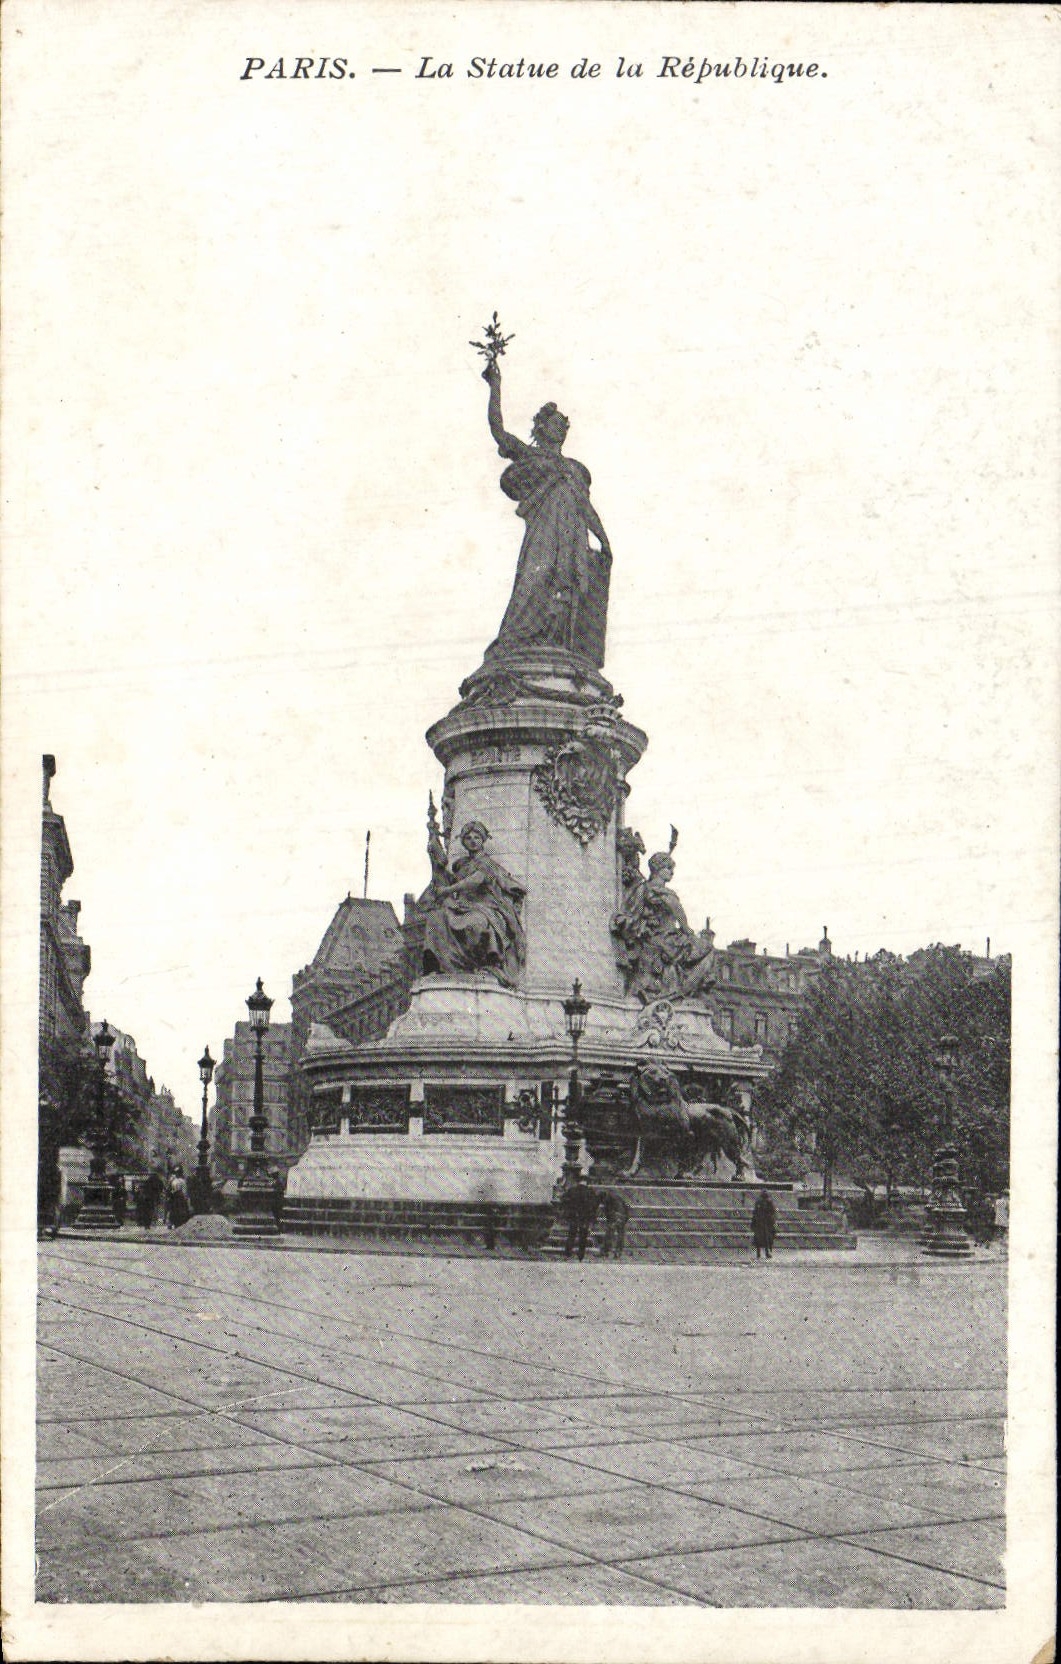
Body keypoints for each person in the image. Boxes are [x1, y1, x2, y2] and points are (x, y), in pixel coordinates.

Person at [482, 357, 612, 667]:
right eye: (556, 424)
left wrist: (604, 539)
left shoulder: (574, 470)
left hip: (571, 535)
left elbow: (586, 507)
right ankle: (518, 641)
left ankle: (557, 647)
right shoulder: (532, 455)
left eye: (565, 425)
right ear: (542, 427)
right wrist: (495, 386)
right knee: (533, 582)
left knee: (568, 589)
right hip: (544, 533)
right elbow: (499, 432)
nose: (562, 429)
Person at [421, 819, 526, 987]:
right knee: (436, 918)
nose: (472, 841)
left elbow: (474, 881)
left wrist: (448, 891)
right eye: (468, 838)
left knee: (476, 922)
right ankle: (436, 965)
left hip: (486, 906)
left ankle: (488, 962)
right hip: (463, 905)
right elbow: (449, 880)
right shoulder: (461, 864)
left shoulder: (486, 863)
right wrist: (435, 857)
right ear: (463, 841)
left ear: (483, 840)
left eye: (477, 837)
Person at [561, 1175, 600, 1262]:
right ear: (586, 1182)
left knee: (571, 1234)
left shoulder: (572, 1190)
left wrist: (569, 1211)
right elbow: (595, 1204)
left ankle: (567, 1253)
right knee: (583, 1236)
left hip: (574, 1216)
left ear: (578, 1182)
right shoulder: (590, 1191)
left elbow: (563, 1200)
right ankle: (580, 1256)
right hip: (585, 1218)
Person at [600, 1190, 630, 1260]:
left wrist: (616, 1220)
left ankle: (608, 1251)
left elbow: (616, 1211)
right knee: (618, 1234)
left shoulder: (613, 1200)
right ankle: (615, 1251)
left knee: (611, 1234)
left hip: (618, 1218)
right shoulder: (615, 1198)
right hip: (621, 1218)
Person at [752, 1187, 777, 1260]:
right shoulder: (767, 1202)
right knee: (765, 1238)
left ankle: (760, 1253)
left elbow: (755, 1212)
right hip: (763, 1222)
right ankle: (764, 1253)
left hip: (762, 1222)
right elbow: (772, 1211)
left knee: (761, 1238)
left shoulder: (760, 1201)